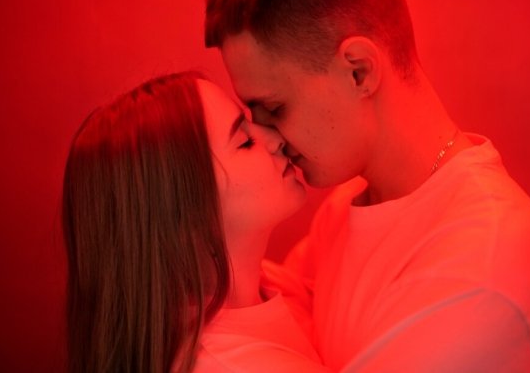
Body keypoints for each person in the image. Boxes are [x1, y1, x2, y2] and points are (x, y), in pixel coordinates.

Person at [205, 0, 530, 371]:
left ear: (358, 71)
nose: (265, 134)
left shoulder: (483, 270)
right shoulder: (345, 209)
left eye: (275, 108)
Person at [61, 72, 331, 373]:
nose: (276, 138)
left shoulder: (266, 281)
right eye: (244, 142)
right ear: (183, 211)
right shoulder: (229, 365)